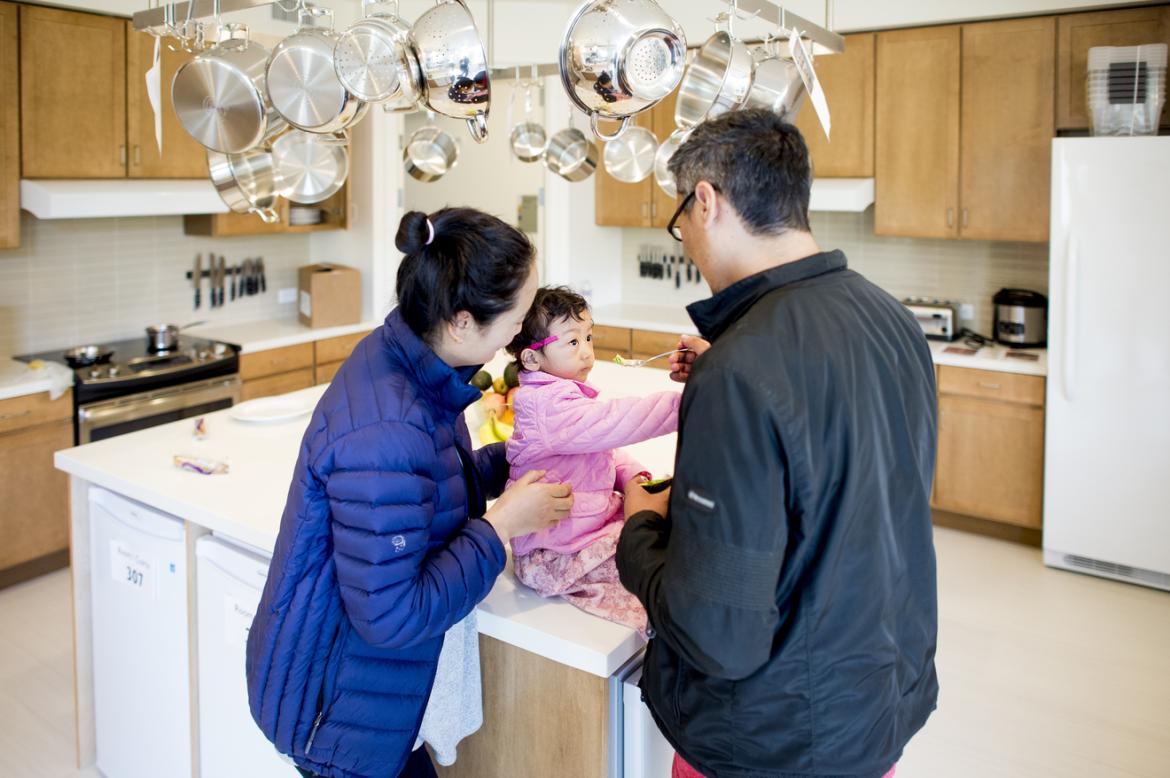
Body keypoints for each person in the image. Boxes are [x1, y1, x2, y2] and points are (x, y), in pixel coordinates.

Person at [615, 109, 940, 778]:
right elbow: (841, 480)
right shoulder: (890, 319)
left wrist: (639, 532)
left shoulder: (743, 368)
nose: (687, 244)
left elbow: (720, 634)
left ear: (705, 201)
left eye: (682, 224)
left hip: (768, 742)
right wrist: (725, 371)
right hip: (871, 705)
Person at [245, 208, 574, 778]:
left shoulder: (410, 359)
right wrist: (500, 528)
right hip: (336, 712)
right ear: (463, 322)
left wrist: (506, 462)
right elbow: (392, 616)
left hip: (354, 683)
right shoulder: (387, 430)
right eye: (516, 319)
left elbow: (426, 486)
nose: (520, 336)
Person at [502, 286, 680, 633]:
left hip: (582, 529)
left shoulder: (561, 396)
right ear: (532, 359)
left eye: (589, 337)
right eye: (572, 342)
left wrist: (634, 478)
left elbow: (601, 450)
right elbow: (614, 423)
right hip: (553, 550)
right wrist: (684, 404)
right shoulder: (547, 408)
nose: (587, 353)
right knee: (650, 573)